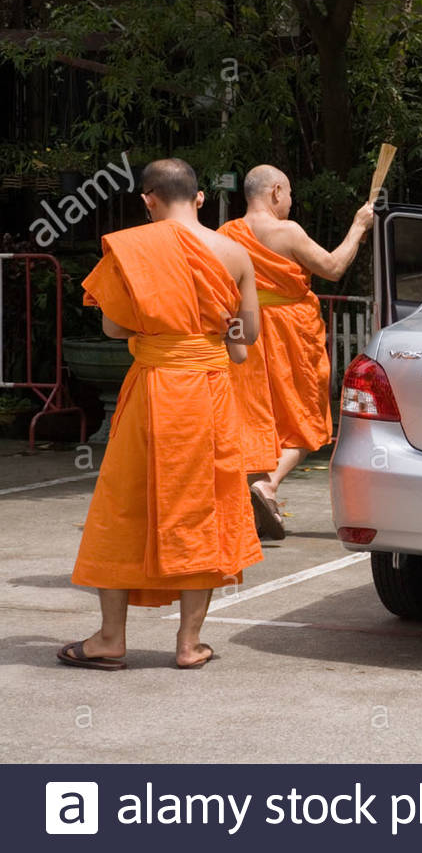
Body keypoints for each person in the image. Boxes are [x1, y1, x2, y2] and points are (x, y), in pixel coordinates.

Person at [59, 158, 263, 671]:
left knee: (123, 504)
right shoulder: (234, 252)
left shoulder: (132, 248)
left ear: (148, 199)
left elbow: (111, 328)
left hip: (152, 390)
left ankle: (110, 639)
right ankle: (189, 644)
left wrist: (160, 329)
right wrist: (214, 333)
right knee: (204, 507)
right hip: (208, 395)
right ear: (197, 198)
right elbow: (248, 334)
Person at [217, 165, 374, 538]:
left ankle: (252, 502)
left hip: (243, 330)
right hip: (289, 332)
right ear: (275, 192)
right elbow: (333, 268)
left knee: (253, 415)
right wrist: (358, 226)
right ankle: (267, 485)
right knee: (307, 420)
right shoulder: (286, 232)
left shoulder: (226, 234)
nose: (290, 202)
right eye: (289, 194)